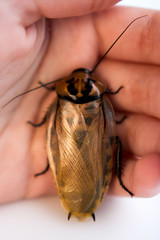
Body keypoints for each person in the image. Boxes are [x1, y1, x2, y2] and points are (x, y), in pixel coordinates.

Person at [0, 0, 159, 204]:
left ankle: (91, 187)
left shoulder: (62, 96)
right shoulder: (101, 100)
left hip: (67, 121)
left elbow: (52, 124)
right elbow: (109, 121)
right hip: (93, 142)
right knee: (113, 141)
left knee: (55, 138)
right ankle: (114, 181)